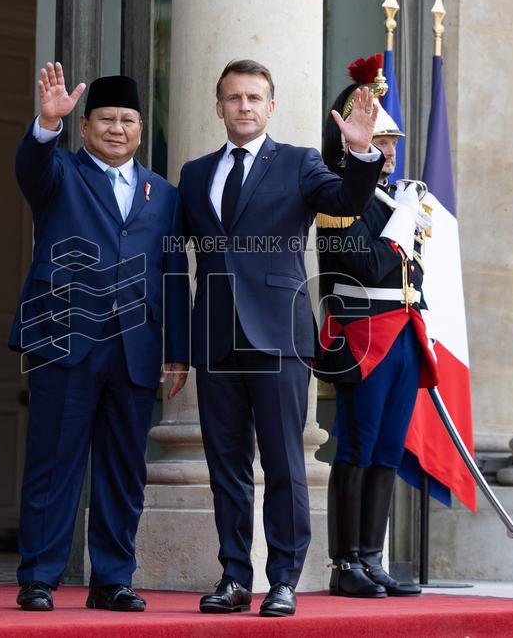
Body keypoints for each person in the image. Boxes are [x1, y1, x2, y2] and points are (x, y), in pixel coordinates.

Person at [178, 59, 384, 617]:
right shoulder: (195, 174)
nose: (244, 106)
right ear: (218, 107)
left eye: (254, 98)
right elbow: (175, 258)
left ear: (271, 107)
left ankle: (285, 579)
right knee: (226, 465)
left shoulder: (298, 163)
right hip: (217, 337)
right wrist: (178, 347)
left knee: (286, 464)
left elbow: (345, 202)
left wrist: (363, 156)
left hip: (280, 337)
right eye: (234, 98)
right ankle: (233, 578)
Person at [9, 63, 189, 612]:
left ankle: (112, 578)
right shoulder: (60, 171)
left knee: (123, 469)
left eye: (127, 120)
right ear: (84, 127)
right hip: (65, 338)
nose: (117, 128)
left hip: (137, 347)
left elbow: (174, 272)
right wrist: (45, 124)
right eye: (105, 119)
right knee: (53, 461)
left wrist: (178, 351)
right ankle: (39, 576)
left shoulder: (164, 193)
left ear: (140, 129)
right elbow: (30, 169)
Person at [315, 54, 439, 598]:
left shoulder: (398, 196)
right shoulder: (340, 195)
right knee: (357, 448)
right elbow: (361, 265)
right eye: (377, 139)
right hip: (365, 335)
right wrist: (402, 221)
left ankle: (371, 556)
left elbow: (414, 273)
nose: (387, 150)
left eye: (391, 141)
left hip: (405, 332)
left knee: (389, 449)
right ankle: (344, 565)